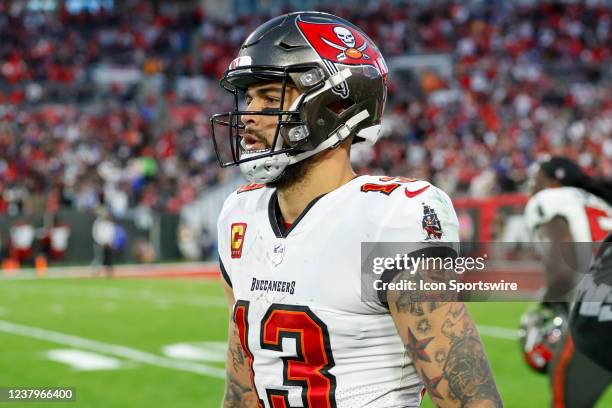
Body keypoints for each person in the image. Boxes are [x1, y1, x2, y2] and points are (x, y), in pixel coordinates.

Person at [212, 12, 501, 408]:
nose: (248, 115)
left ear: (334, 103)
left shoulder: (386, 219)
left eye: (269, 97)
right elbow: (242, 387)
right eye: (248, 98)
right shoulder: (240, 213)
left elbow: (471, 401)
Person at [522, 156, 612, 407]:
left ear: (552, 181)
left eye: (536, 177)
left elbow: (561, 273)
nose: (531, 185)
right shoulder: (603, 204)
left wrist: (548, 304)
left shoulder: (550, 199)